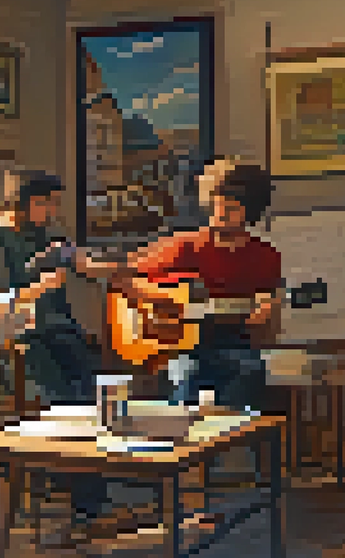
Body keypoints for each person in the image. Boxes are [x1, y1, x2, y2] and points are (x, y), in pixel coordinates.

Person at [0, 169, 111, 537]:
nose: (52, 209)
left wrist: (121, 269)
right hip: (20, 340)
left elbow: (86, 264)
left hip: (62, 332)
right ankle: (86, 501)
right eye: (46, 202)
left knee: (99, 398)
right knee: (63, 403)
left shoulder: (51, 235)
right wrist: (33, 292)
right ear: (21, 203)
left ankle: (93, 489)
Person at [85, 159, 282, 411]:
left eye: (230, 209)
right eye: (216, 207)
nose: (219, 215)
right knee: (188, 374)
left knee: (249, 369)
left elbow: (266, 307)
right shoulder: (186, 246)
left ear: (250, 212)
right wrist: (164, 301)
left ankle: (232, 440)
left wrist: (265, 310)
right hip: (181, 348)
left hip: (233, 344)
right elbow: (122, 277)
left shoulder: (265, 256)